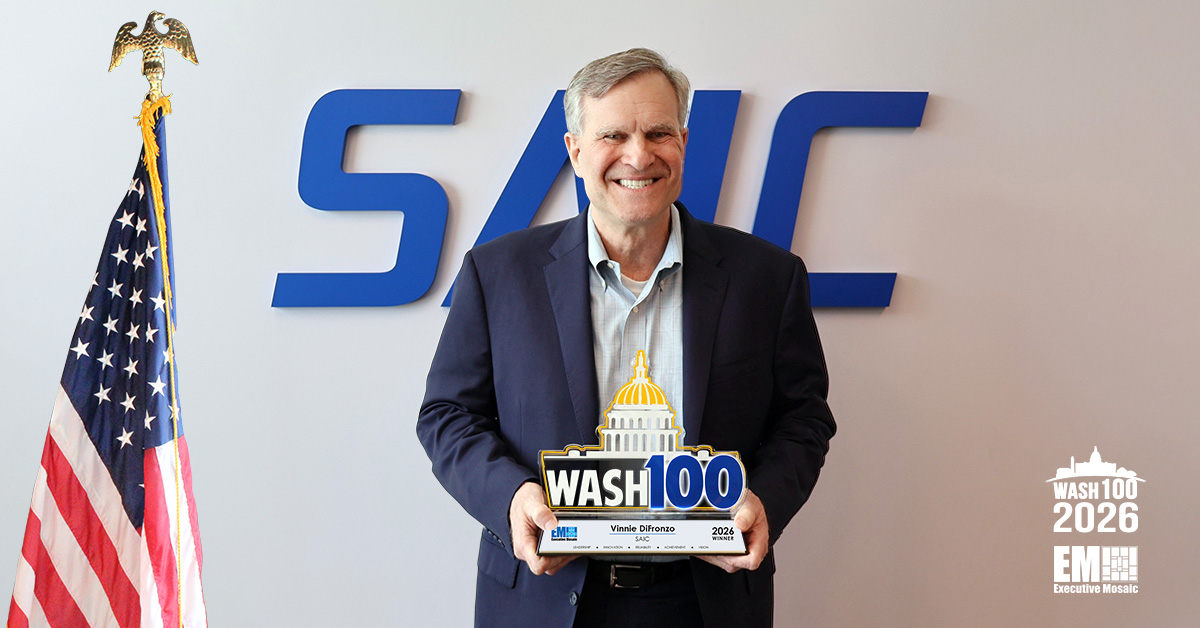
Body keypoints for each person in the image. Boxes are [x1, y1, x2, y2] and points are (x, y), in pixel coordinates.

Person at [417, 48, 835, 628]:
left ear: (683, 142)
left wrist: (764, 501)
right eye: (613, 134)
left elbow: (803, 418)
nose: (638, 155)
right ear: (575, 150)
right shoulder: (499, 274)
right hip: (545, 597)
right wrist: (513, 499)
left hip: (706, 599)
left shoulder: (767, 277)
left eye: (658, 132)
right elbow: (447, 414)